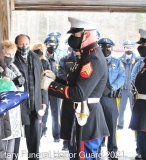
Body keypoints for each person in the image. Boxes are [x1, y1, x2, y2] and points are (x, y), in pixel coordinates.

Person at [41, 17, 109, 159]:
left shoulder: (92, 58)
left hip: (86, 119)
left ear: (87, 34)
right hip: (79, 117)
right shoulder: (86, 55)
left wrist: (50, 86)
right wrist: (56, 80)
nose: (72, 38)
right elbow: (75, 84)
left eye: (75, 34)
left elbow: (79, 93)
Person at [14, 34, 47, 160]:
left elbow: (43, 80)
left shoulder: (35, 58)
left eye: (26, 44)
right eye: (21, 44)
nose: (24, 46)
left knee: (34, 137)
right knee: (15, 137)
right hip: (18, 104)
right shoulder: (12, 58)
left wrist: (44, 100)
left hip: (34, 103)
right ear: (16, 44)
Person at [0, 40, 25, 160]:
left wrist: (19, 83)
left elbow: (21, 86)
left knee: (13, 143)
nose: (10, 58)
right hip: (3, 109)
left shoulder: (14, 67)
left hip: (15, 109)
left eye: (12, 55)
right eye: (7, 55)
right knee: (3, 143)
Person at [98, 38, 125, 158]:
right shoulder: (95, 61)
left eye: (108, 47)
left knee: (112, 126)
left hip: (110, 98)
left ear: (112, 48)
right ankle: (96, 151)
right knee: (97, 125)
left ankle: (112, 151)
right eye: (102, 47)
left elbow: (122, 76)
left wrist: (113, 87)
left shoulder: (117, 62)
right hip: (96, 98)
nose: (105, 49)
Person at [58, 47, 80, 151]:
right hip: (68, 93)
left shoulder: (86, 58)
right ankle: (66, 142)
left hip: (81, 94)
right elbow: (62, 75)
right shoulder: (65, 59)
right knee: (67, 120)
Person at [129, 29, 146, 160]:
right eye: (141, 44)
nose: (141, 47)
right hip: (141, 108)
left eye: (144, 44)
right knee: (141, 140)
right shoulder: (143, 64)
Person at [43, 35, 63, 142]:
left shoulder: (60, 58)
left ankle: (57, 135)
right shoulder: (41, 58)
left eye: (53, 45)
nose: (51, 47)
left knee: (56, 113)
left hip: (56, 89)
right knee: (44, 111)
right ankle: (42, 132)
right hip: (44, 90)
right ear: (45, 45)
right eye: (49, 45)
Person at [118, 40, 139, 130]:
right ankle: (120, 125)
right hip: (122, 89)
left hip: (133, 89)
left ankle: (134, 125)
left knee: (133, 109)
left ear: (133, 48)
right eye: (127, 47)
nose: (128, 49)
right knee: (120, 109)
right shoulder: (119, 60)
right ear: (124, 48)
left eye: (130, 48)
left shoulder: (138, 60)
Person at [31, 42, 50, 139]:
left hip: (42, 92)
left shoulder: (45, 62)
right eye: (37, 48)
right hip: (32, 93)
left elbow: (46, 81)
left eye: (41, 49)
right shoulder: (29, 60)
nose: (39, 50)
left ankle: (41, 133)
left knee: (42, 115)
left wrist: (44, 100)